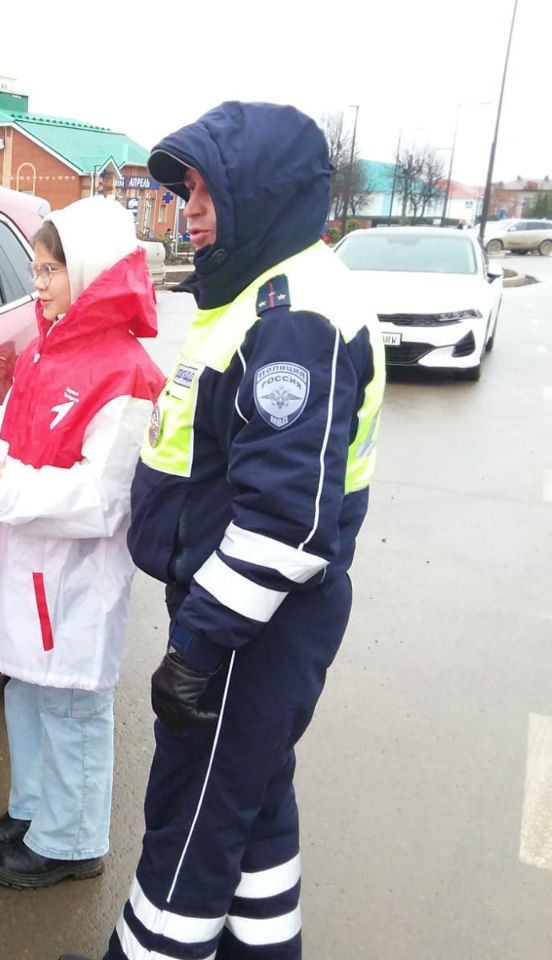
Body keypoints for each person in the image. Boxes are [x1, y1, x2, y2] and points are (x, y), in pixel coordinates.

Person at [60, 102, 385, 960]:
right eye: (185, 194)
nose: (188, 211)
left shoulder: (290, 318)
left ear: (263, 194)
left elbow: (284, 524)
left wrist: (199, 648)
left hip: (249, 628)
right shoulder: (264, 295)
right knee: (253, 800)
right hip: (245, 618)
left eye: (205, 193)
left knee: (191, 821)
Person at [0, 196, 165, 890]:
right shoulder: (51, 344)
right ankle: (37, 808)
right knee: (29, 693)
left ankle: (72, 841)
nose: (37, 283)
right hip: (29, 566)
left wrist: (5, 487)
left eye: (50, 269)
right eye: (35, 269)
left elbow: (103, 498)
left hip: (72, 577)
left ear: (94, 271)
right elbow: (6, 419)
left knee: (70, 702)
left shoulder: (125, 373)